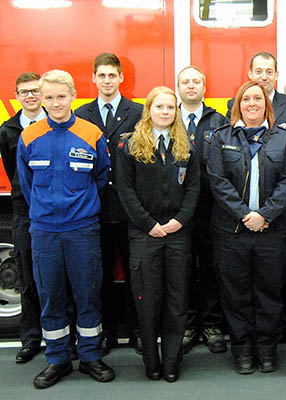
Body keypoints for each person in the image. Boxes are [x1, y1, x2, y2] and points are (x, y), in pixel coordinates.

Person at [16, 70, 113, 388]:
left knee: (88, 296)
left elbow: (100, 178)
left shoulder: (91, 134)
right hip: (44, 231)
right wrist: (47, 212)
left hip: (82, 231)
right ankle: (57, 359)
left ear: (73, 95)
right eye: (48, 97)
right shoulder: (29, 136)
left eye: (61, 96)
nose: (55, 103)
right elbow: (27, 186)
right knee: (50, 296)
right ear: (41, 100)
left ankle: (90, 356)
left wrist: (79, 209)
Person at [208, 81, 286, 374]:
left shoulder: (283, 139)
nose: (252, 104)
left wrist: (265, 215)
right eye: (246, 99)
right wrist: (245, 215)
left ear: (266, 105)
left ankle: (267, 349)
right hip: (232, 232)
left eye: (257, 99)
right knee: (236, 294)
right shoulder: (221, 138)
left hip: (271, 231)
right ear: (238, 105)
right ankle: (243, 350)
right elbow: (218, 181)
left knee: (269, 293)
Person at [227, 51, 286, 350]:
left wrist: (271, 200)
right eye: (258, 70)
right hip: (241, 214)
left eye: (269, 71)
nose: (264, 76)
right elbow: (230, 156)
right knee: (243, 281)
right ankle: (248, 337)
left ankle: (285, 328)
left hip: (279, 207)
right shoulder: (235, 104)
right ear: (250, 74)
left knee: (281, 274)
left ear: (277, 75)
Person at [115, 86, 200, 382]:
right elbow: (125, 191)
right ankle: (152, 362)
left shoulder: (186, 145)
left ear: (176, 111)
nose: (165, 112)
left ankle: (172, 362)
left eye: (170, 107)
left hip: (178, 233)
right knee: (147, 300)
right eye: (159, 107)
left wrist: (180, 220)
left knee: (177, 302)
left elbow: (193, 189)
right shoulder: (129, 145)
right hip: (144, 233)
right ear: (148, 109)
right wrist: (147, 223)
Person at [75, 52, 143, 355]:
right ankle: (106, 332)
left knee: (135, 274)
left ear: (120, 79)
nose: (106, 81)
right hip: (95, 208)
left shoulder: (139, 112)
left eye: (111, 75)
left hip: (131, 208)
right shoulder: (81, 114)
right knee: (97, 274)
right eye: (101, 75)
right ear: (93, 78)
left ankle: (139, 330)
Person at [176, 66, 228, 355]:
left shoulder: (218, 120)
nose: (191, 86)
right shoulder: (168, 118)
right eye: (186, 82)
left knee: (211, 267)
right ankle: (186, 325)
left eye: (196, 81)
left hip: (211, 208)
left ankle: (212, 325)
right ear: (178, 87)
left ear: (204, 87)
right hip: (177, 208)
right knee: (181, 269)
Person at [0, 72, 46, 364]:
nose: (30, 96)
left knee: (59, 278)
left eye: (35, 91)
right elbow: (12, 167)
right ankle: (30, 339)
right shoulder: (9, 130)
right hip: (24, 211)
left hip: (55, 211)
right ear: (16, 96)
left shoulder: (56, 124)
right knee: (28, 276)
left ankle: (66, 338)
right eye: (24, 92)